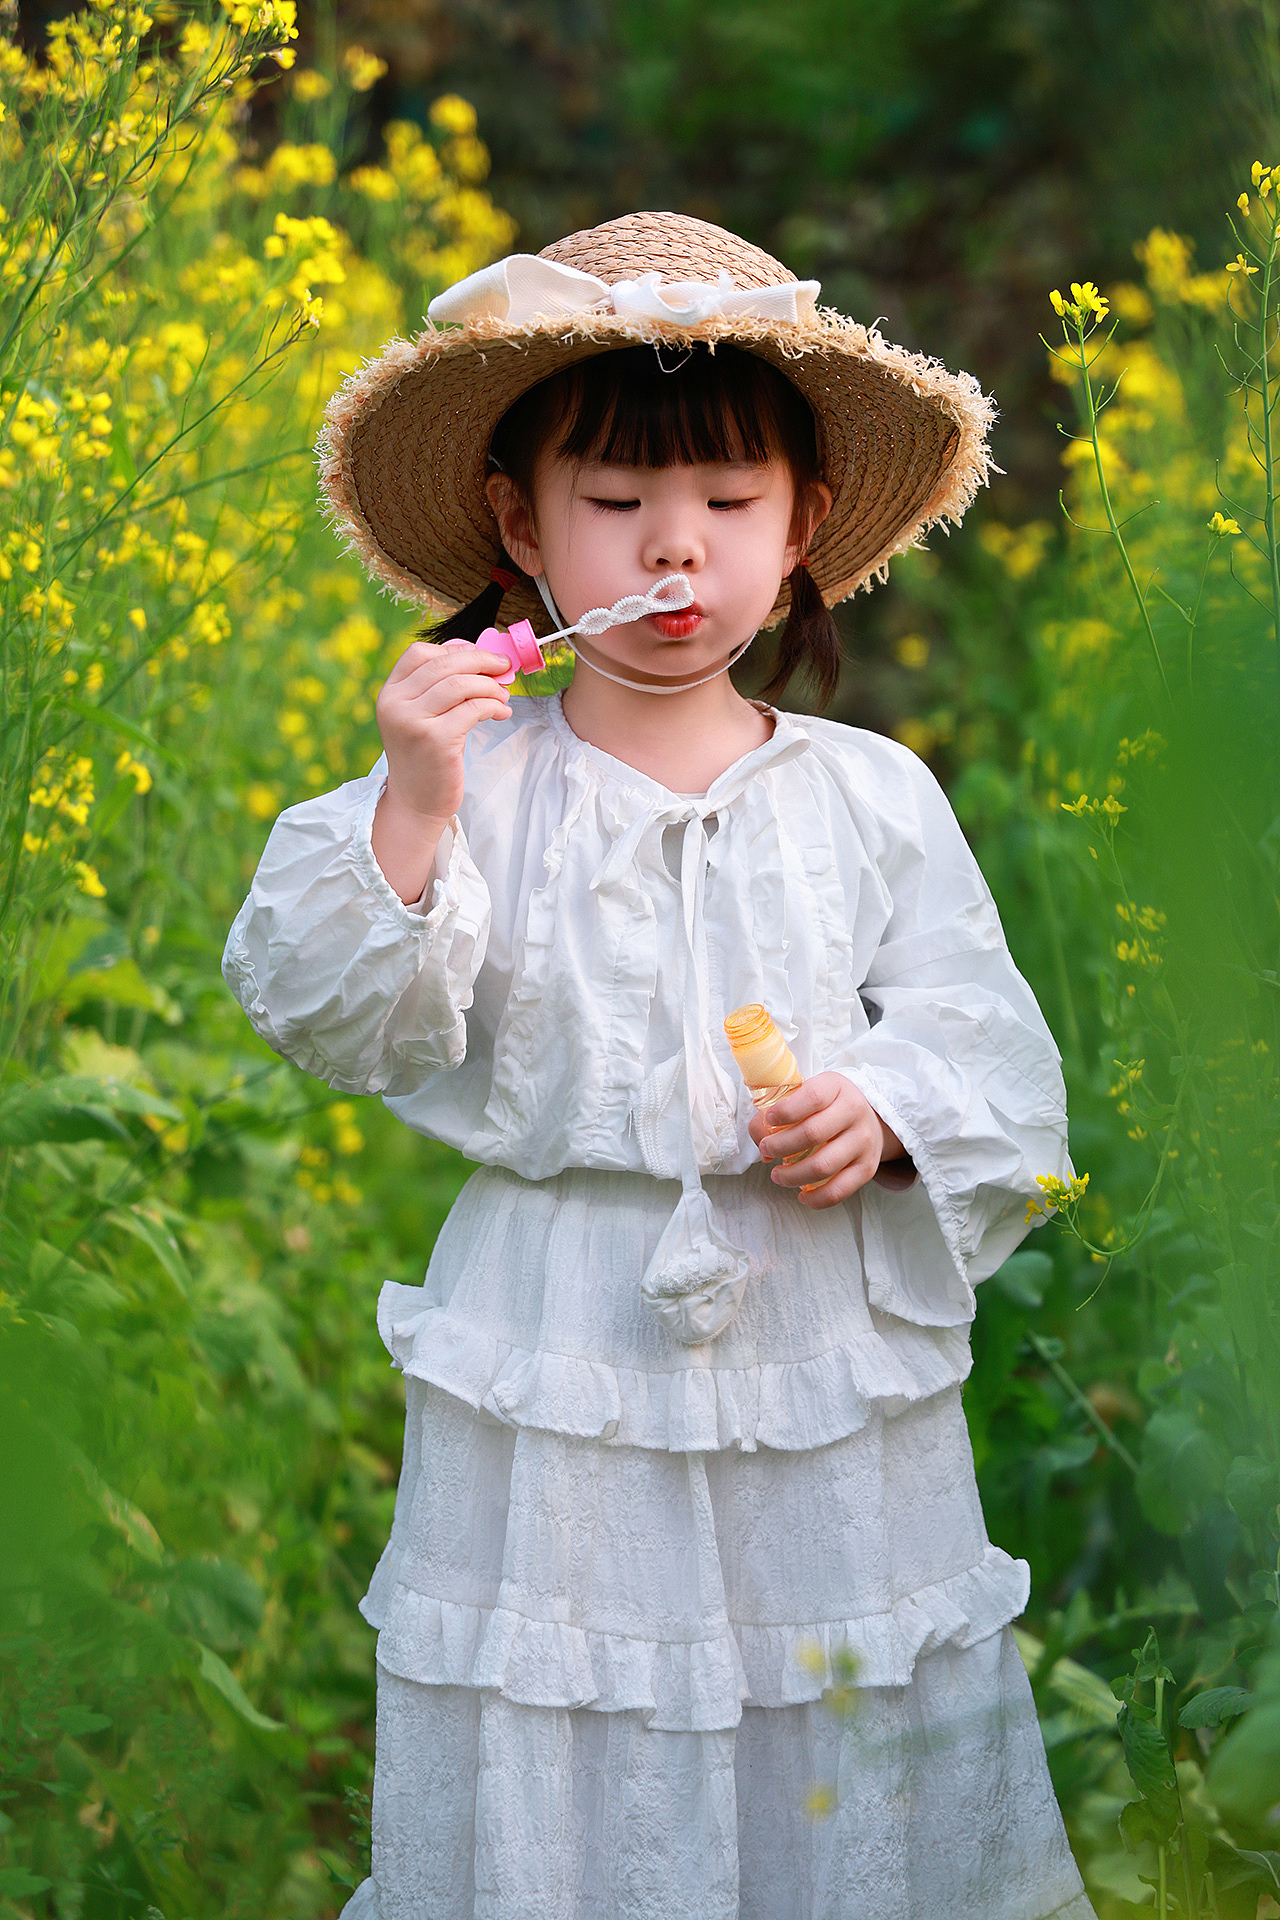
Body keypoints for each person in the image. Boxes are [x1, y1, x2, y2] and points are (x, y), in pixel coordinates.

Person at [224, 212, 1095, 1920]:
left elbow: (987, 1043)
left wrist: (894, 1115)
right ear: (518, 526)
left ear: (806, 531)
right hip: (561, 1324)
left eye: (727, 510)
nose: (671, 559)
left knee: (832, 1681)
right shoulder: (483, 784)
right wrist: (413, 796)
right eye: (617, 511)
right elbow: (334, 1013)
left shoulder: (866, 794)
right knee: (577, 1693)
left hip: (818, 1338)